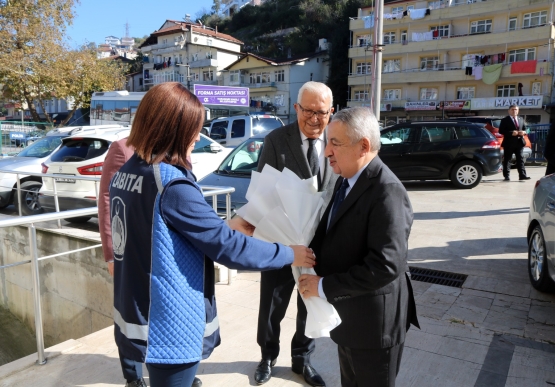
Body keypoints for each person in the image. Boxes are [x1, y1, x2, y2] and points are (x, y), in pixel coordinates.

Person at [110, 82, 316, 387]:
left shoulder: (127, 173)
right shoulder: (171, 185)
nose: (197, 137)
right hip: (169, 325)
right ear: (173, 130)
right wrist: (289, 253)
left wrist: (223, 228)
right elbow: (229, 249)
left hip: (137, 311)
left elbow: (164, 235)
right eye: (194, 128)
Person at [298, 107, 419, 387]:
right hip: (350, 318)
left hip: (374, 327)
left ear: (363, 146)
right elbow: (333, 232)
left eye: (335, 143)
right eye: (327, 142)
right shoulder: (346, 180)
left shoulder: (387, 191)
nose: (326, 151)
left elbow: (386, 265)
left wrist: (324, 285)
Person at [99, 138, 204, 387]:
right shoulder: (123, 149)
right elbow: (107, 200)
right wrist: (112, 252)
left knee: (160, 315)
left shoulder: (175, 150)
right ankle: (133, 375)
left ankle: (172, 370)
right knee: (131, 313)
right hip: (132, 250)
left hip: (162, 249)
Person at [254, 81, 339, 386]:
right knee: (272, 305)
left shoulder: (336, 138)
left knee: (309, 304)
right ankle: (267, 355)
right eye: (309, 111)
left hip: (319, 246)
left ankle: (302, 359)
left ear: (332, 111)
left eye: (322, 112)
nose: (315, 119)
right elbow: (263, 192)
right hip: (281, 241)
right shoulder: (277, 140)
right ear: (296, 109)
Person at [499, 105, 530, 180]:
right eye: (512, 109)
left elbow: (527, 129)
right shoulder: (505, 120)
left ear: (518, 111)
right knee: (507, 160)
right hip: (509, 143)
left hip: (519, 142)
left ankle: (522, 175)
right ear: (509, 111)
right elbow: (501, 131)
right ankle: (506, 176)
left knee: (520, 159)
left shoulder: (521, 119)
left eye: (516, 109)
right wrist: (511, 133)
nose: (514, 111)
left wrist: (524, 132)